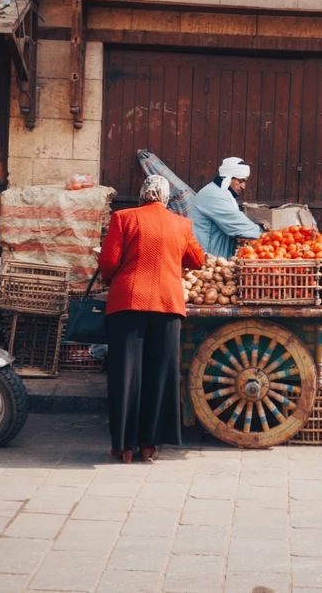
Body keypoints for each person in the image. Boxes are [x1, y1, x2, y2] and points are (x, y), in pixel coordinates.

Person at [98, 174, 205, 464]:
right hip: (168, 305)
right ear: (167, 198)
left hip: (128, 303)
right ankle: (150, 446)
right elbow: (197, 260)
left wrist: (110, 278)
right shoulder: (182, 224)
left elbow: (108, 261)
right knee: (160, 376)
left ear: (142, 195)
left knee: (125, 375)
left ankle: (125, 447)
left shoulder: (124, 218)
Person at [192, 157, 263, 259]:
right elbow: (238, 224)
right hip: (204, 260)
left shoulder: (221, 193)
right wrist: (266, 234)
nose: (243, 186)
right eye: (241, 181)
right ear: (228, 178)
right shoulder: (214, 195)